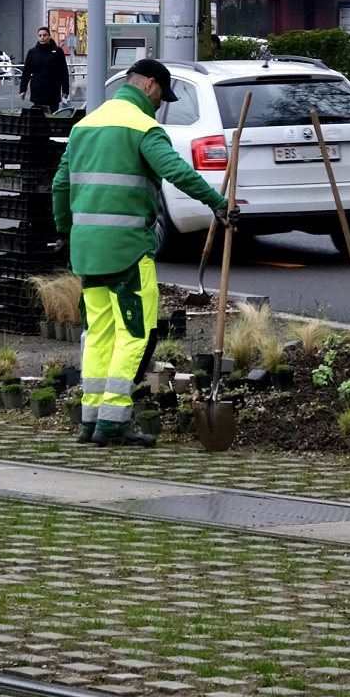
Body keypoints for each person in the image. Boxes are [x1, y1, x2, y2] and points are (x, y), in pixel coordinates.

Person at [51, 57, 231, 447]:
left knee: (97, 333)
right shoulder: (144, 127)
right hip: (128, 252)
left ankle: (90, 420)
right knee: (134, 334)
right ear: (149, 86)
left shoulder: (84, 125)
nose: (159, 104)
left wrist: (68, 231)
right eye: (160, 96)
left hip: (87, 252)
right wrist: (217, 202)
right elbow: (176, 172)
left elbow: (60, 185)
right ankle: (113, 424)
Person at [20, 25, 71, 110]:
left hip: (53, 90)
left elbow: (63, 72)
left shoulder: (57, 51)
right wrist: (23, 89)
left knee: (52, 114)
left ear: (49, 36)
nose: (42, 38)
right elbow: (26, 72)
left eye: (45, 35)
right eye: (40, 36)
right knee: (38, 117)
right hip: (38, 90)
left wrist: (65, 90)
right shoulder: (32, 52)